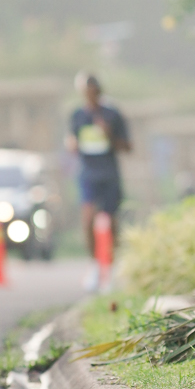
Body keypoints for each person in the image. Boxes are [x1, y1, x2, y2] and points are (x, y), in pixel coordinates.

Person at [64, 72, 131, 289]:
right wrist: (72, 144)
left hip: (109, 174)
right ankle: (94, 265)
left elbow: (127, 147)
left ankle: (111, 268)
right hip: (88, 174)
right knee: (88, 219)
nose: (90, 95)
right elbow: (73, 140)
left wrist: (108, 134)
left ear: (99, 91)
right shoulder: (78, 115)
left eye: (93, 91)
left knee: (111, 221)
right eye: (86, 92)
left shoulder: (112, 114)